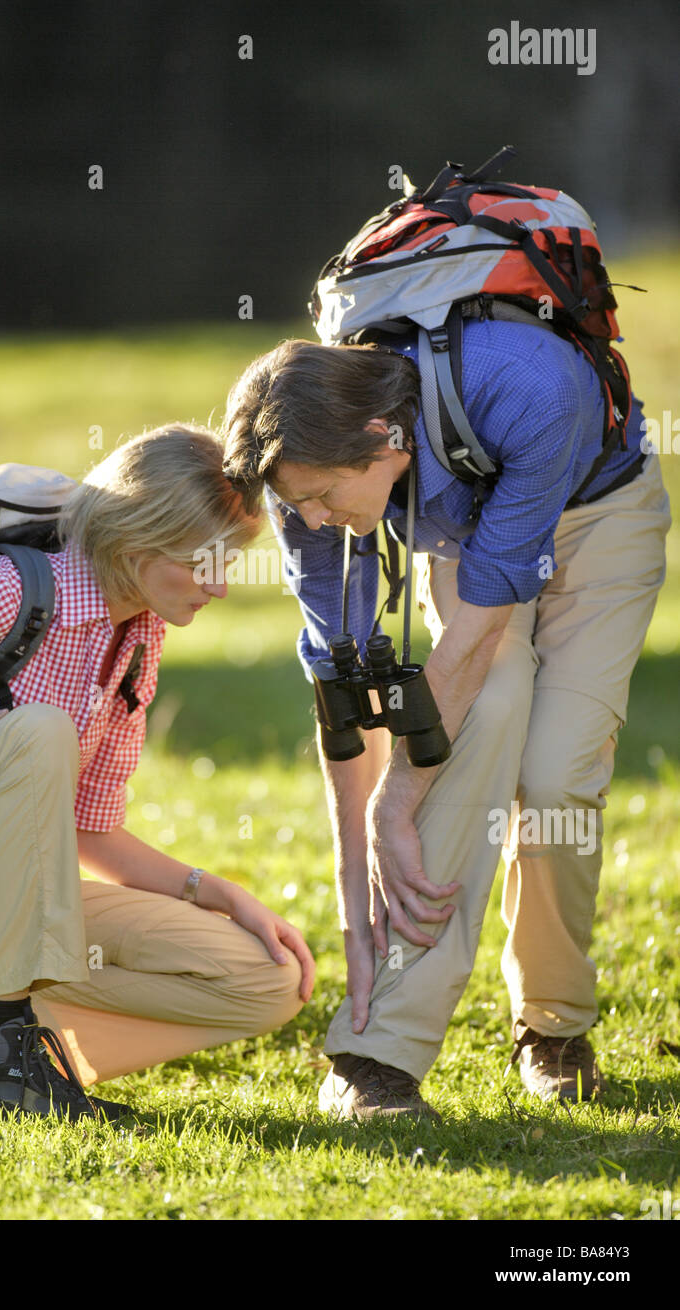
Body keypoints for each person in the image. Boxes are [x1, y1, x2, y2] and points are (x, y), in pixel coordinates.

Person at [221, 320, 671, 1119]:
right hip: (468, 524)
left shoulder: (531, 385)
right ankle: (377, 1059)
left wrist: (398, 801)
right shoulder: (302, 478)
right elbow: (340, 688)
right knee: (479, 721)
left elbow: (478, 636)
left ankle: (554, 1026)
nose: (313, 520)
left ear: (382, 435)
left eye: (324, 496)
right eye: (299, 504)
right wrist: (355, 900)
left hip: (598, 516)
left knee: (555, 777)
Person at [0, 424, 314, 1123]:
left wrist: (220, 894)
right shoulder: (1, 593)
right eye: (204, 565)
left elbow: (91, 830)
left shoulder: (139, 636)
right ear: (138, 546)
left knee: (267, 979)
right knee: (36, 730)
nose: (223, 587)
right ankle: (2, 1069)